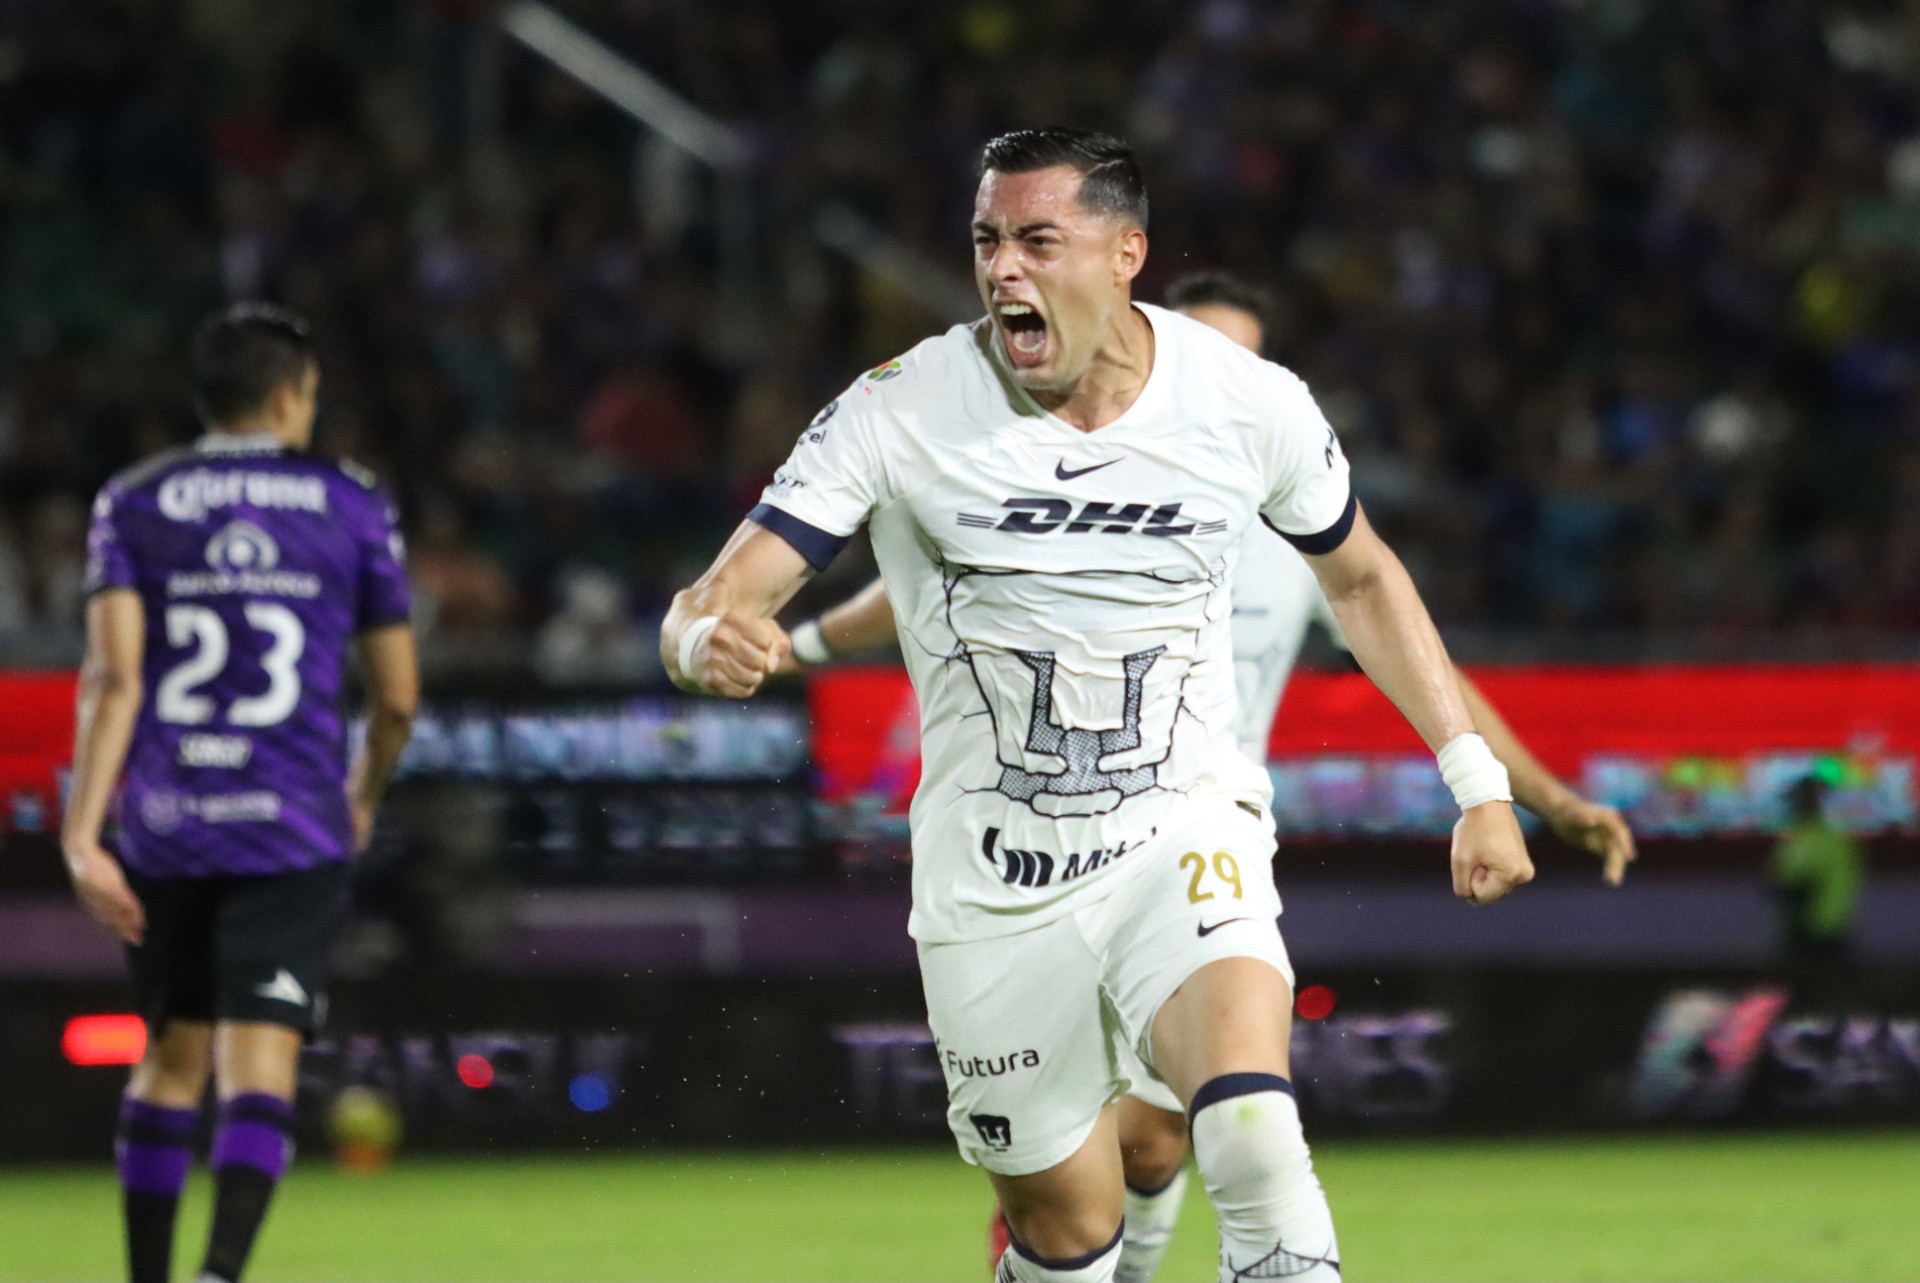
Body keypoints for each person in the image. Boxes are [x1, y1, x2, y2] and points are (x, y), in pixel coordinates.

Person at [662, 128, 1535, 1283]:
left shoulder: (1247, 400)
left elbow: (1365, 578)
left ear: (1127, 255)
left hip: (1182, 828)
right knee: (1070, 1234)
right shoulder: (898, 408)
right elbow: (715, 599)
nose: (1003, 269)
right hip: (993, 884)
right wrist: (702, 643)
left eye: (1038, 240)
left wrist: (1477, 783)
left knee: (1252, 1132)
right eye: (987, 240)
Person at [782, 269, 1639, 1281]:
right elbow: (915, 580)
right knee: (1078, 1185)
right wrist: (806, 643)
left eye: (1245, 354)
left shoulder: (1288, 522)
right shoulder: (1063, 484)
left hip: (1191, 847)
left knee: (1189, 1135)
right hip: (1028, 860)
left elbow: (1414, 651)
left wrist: (1534, 795)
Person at [63, 304, 418, 1283]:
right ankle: (218, 1273)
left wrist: (83, 836)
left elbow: (113, 679)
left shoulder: (134, 499)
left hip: (167, 825)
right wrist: (361, 794)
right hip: (291, 824)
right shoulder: (349, 501)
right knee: (257, 1064)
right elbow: (396, 698)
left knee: (169, 1059)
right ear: (289, 398)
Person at [1770, 775, 1863, 963]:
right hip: (1833, 933)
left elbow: (1790, 886)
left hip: (1812, 939)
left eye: (1795, 801)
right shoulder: (1836, 841)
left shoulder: (1810, 840)